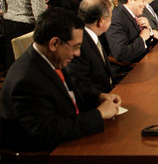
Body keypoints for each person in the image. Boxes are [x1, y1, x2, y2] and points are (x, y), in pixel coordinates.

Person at [0, 8, 121, 152]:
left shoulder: (50, 58)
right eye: (75, 47)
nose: (78, 54)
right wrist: (99, 114)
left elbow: (72, 90)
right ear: (54, 44)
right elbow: (47, 132)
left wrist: (99, 96)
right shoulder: (26, 80)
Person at [65, 0, 114, 111]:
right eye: (111, 18)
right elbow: (80, 85)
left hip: (109, 96)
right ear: (101, 21)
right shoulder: (79, 44)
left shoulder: (94, 35)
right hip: (95, 107)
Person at [105, 0, 153, 68]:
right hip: (129, 70)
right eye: (143, 0)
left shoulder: (132, 14)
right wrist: (142, 38)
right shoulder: (117, 18)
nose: (145, 5)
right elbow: (121, 54)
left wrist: (148, 29)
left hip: (144, 62)